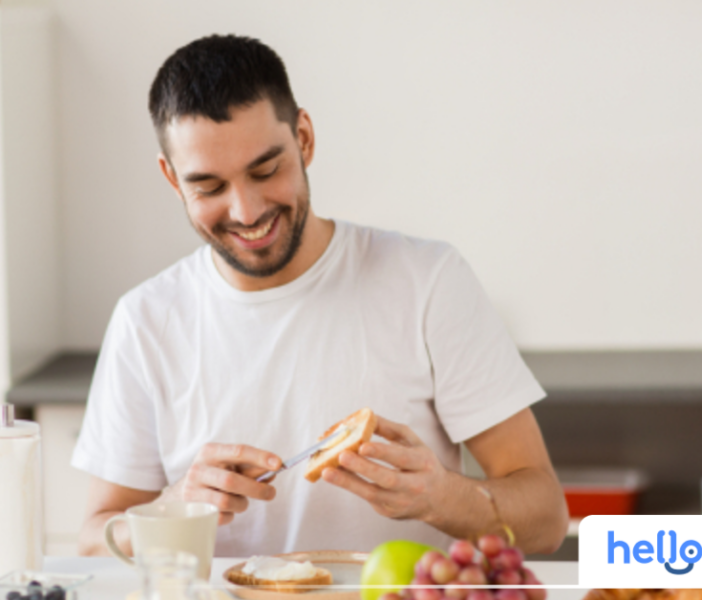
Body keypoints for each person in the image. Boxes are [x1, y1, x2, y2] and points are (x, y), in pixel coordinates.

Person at [72, 34, 569, 558]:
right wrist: (172, 510)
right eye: (210, 188)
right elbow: (90, 541)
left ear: (304, 138)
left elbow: (546, 518)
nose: (245, 211)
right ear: (172, 179)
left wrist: (441, 496)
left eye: (266, 171)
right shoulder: (146, 319)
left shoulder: (427, 281)